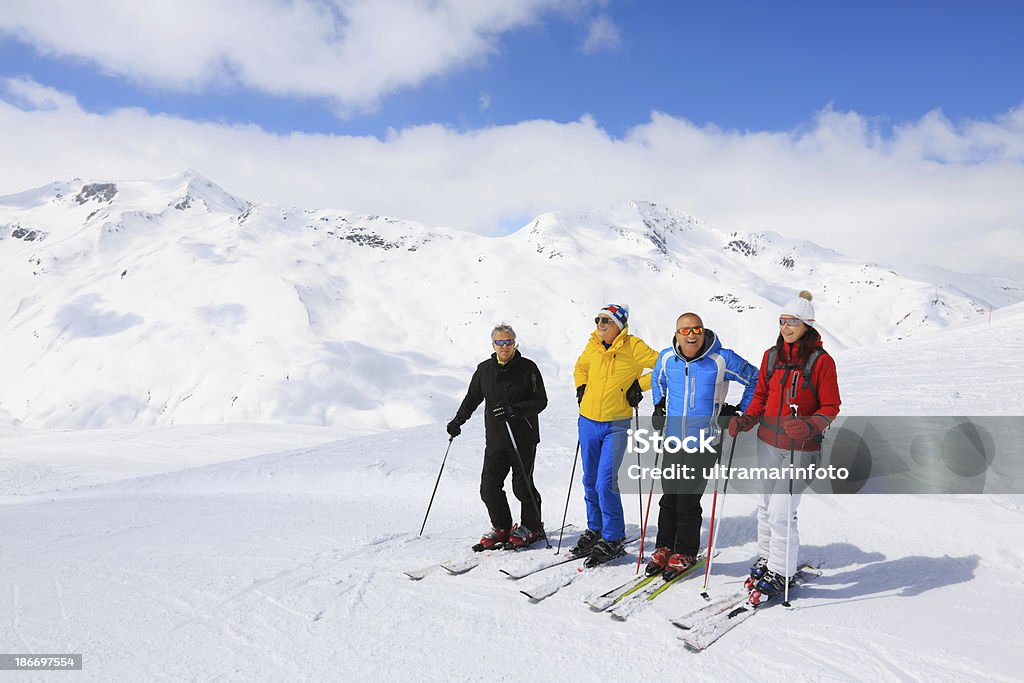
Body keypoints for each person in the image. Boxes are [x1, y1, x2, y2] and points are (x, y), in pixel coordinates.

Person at [728, 290, 841, 600]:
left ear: (806, 324)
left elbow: (831, 406)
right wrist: (747, 418)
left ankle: (782, 570)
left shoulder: (821, 362)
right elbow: (761, 396)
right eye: (782, 321)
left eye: (792, 322)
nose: (786, 327)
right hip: (768, 441)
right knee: (765, 508)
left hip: (802, 449)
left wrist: (808, 424)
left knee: (781, 511)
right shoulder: (771, 356)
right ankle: (767, 558)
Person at [645, 312, 758, 579]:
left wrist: (740, 411)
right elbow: (657, 381)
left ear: (703, 331)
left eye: (696, 329)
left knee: (687, 499)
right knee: (669, 496)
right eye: (685, 330)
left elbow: (755, 378)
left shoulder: (722, 359)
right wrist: (659, 406)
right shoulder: (666, 358)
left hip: (706, 440)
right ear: (677, 334)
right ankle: (664, 547)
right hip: (672, 439)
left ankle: (684, 550)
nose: (692, 334)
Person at [447, 323, 549, 550]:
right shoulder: (484, 370)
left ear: (515, 343)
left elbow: (540, 401)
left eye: (509, 342)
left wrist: (515, 410)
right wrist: (457, 421)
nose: (505, 346)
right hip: (496, 438)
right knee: (489, 486)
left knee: (522, 486)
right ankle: (502, 526)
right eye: (500, 342)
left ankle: (532, 526)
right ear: (493, 344)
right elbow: (472, 399)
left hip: (523, 438)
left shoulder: (528, 368)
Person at [572, 304, 659, 566]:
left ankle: (612, 536)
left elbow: (664, 365)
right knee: (589, 480)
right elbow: (580, 367)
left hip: (616, 423)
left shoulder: (633, 347)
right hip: (587, 421)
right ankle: (595, 528)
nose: (600, 324)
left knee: (605, 481)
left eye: (606, 320)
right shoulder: (593, 344)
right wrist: (582, 387)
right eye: (598, 319)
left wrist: (638, 385)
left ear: (619, 325)